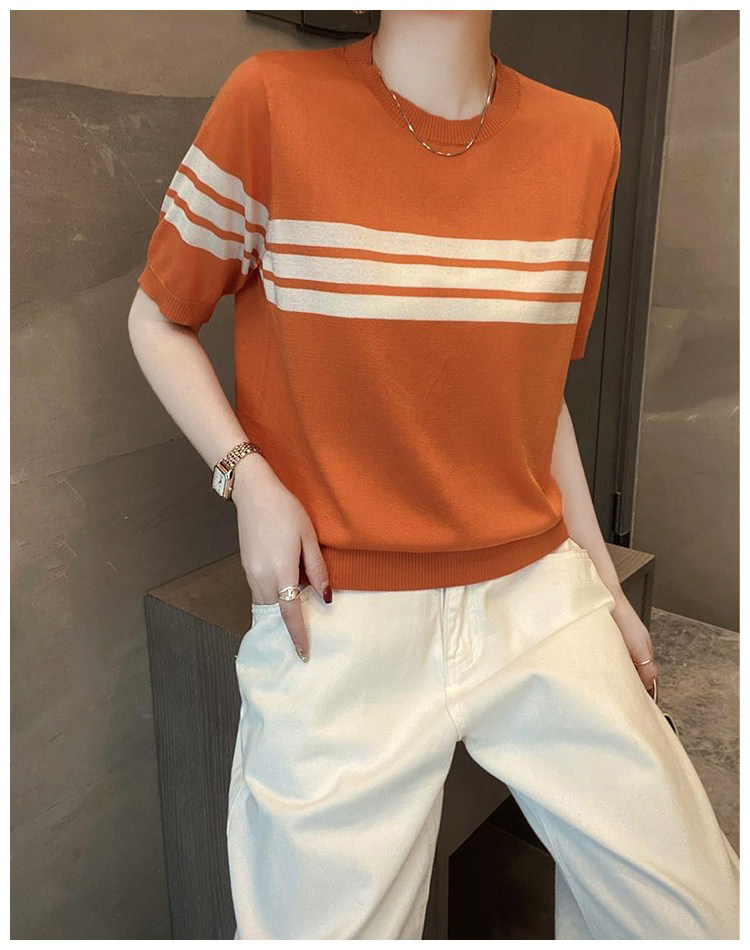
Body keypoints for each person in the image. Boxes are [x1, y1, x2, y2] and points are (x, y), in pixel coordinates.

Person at [128, 10, 740, 940]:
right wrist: (247, 477)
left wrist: (600, 582)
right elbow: (158, 316)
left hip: (535, 594)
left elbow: (537, 393)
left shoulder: (585, 140)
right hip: (337, 608)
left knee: (697, 917)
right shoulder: (273, 103)